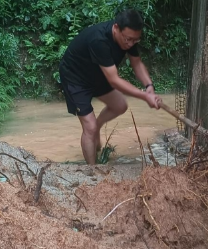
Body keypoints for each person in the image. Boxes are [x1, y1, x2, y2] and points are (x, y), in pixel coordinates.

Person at [58, 9, 161, 164]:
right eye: (128, 39)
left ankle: (98, 126)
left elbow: (137, 63)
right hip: (76, 78)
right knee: (90, 127)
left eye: (135, 40)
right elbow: (114, 80)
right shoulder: (98, 40)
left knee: (120, 105)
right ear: (116, 28)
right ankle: (92, 172)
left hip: (98, 73)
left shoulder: (129, 38)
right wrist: (145, 96)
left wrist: (149, 86)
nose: (131, 44)